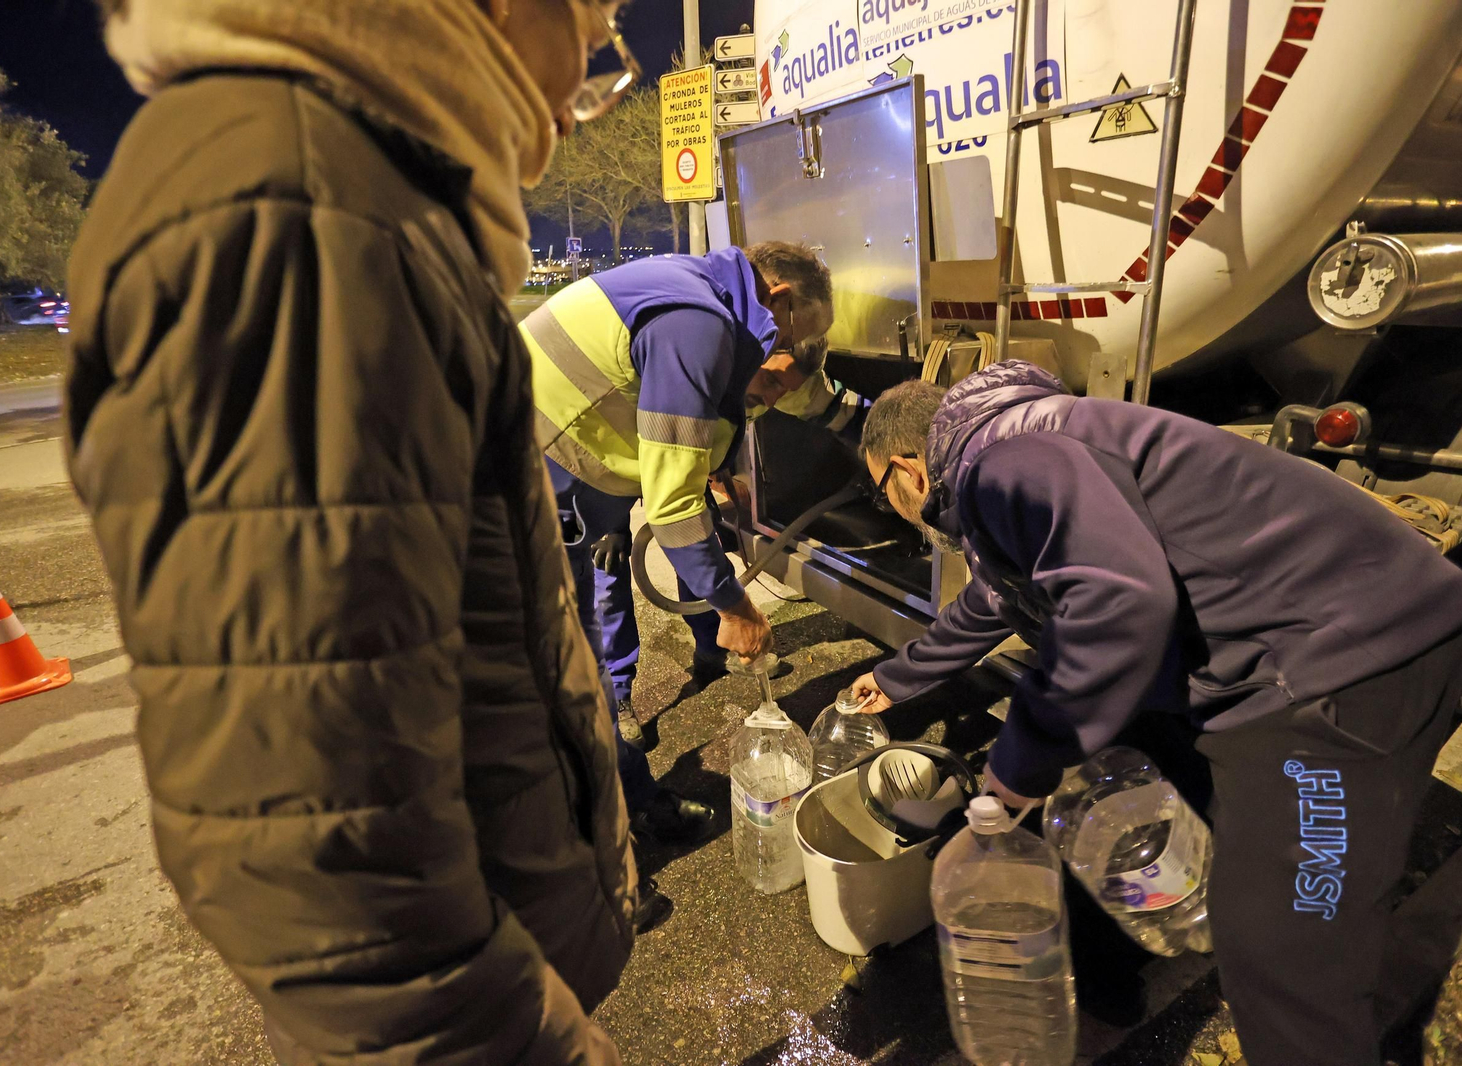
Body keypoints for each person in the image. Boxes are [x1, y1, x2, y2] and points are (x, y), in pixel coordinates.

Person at [67, 1, 642, 1062]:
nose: (578, 99)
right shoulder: (304, 208)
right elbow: (315, 850)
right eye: (599, 31)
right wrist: (522, 1041)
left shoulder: (353, 189)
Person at [850, 361, 1462, 1066]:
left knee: (1284, 956)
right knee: (1108, 791)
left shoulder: (1006, 463)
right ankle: (1107, 991)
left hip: (1344, 662)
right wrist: (895, 677)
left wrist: (1019, 761)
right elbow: (994, 601)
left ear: (908, 468)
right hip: (1249, 665)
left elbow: (1119, 603)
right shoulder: (1016, 447)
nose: (894, 511)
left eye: (882, 494)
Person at [523, 241, 834, 841]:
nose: (782, 368)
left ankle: (626, 808)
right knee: (561, 679)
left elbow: (626, 402)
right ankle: (605, 858)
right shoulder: (701, 324)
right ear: (780, 300)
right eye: (793, 343)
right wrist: (735, 607)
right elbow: (673, 510)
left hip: (548, 476)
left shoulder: (696, 289)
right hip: (514, 483)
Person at [591, 357, 869, 745]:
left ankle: (710, 650)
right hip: (601, 467)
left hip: (670, 454)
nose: (773, 399)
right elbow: (608, 435)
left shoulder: (731, 363)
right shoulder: (673, 355)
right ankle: (617, 693)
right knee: (606, 584)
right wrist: (611, 525)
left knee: (701, 548)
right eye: (771, 383)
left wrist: (717, 458)